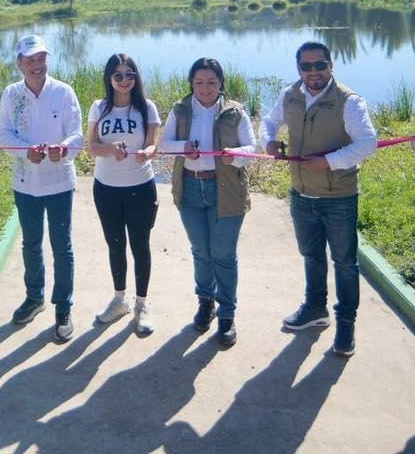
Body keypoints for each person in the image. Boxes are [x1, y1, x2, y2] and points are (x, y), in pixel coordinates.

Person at [262, 41, 377, 357]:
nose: (313, 72)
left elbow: (367, 143)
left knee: (344, 262)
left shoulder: (349, 102)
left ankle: (346, 324)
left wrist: (328, 161)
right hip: (301, 194)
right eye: (306, 66)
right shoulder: (290, 95)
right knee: (311, 255)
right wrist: (270, 141)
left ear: (331, 65)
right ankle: (315, 309)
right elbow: (269, 122)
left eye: (319, 65)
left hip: (338, 196)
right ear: (298, 68)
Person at [160, 57, 257, 348]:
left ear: (221, 84)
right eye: (199, 82)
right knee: (201, 251)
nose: (205, 89)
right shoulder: (180, 110)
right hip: (190, 189)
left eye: (211, 82)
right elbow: (164, 144)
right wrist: (183, 148)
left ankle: (227, 314)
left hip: (225, 189)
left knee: (223, 254)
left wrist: (235, 155)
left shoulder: (235, 112)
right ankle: (206, 303)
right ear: (191, 83)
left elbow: (252, 149)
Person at [0, 33, 84, 343]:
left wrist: (63, 149)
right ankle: (34, 298)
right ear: (20, 63)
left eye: (42, 58)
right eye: (30, 59)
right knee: (31, 243)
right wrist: (26, 151)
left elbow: (77, 137)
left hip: (60, 182)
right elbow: (3, 136)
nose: (37, 65)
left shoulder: (64, 92)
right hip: (25, 183)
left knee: (62, 245)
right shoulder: (11, 94)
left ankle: (63, 307)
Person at [85, 53, 161, 336]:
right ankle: (120, 300)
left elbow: (153, 144)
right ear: (109, 78)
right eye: (118, 75)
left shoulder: (147, 108)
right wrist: (109, 150)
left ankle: (141, 305)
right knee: (115, 245)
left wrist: (147, 152)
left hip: (140, 187)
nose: (125, 80)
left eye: (130, 74)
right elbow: (91, 146)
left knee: (140, 246)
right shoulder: (99, 107)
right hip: (106, 189)